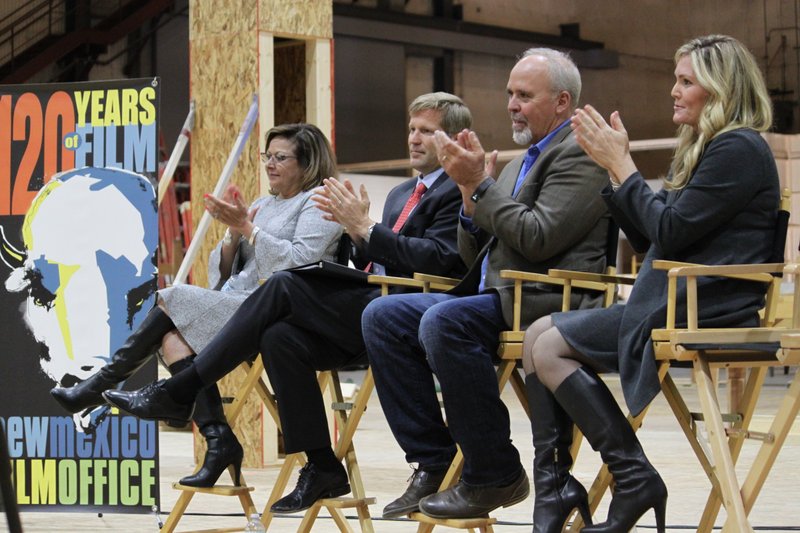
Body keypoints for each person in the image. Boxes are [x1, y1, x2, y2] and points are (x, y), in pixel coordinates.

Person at [101, 92, 472, 513]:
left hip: (401, 311)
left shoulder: (456, 191)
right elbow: (374, 259)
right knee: (280, 337)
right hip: (366, 302)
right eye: (412, 130)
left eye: (426, 131)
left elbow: (443, 262)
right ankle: (321, 465)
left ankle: (179, 389)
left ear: (455, 138)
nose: (414, 139)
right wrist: (358, 233)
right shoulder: (403, 191)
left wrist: (363, 227)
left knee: (280, 285)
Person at [522, 34, 779, 533]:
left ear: (721, 90)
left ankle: (632, 475)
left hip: (708, 303)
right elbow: (654, 239)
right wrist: (613, 174)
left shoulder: (738, 147)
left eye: (686, 81)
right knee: (536, 336)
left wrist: (623, 165)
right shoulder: (709, 148)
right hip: (679, 296)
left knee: (548, 347)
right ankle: (558, 484)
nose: (674, 91)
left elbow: (670, 232)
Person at [360, 47, 611, 521]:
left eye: (523, 95)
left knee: (445, 321)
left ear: (562, 101)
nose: (511, 105)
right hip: (498, 291)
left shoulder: (581, 152)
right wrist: (469, 200)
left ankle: (493, 471)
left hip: (546, 296)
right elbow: (477, 253)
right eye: (509, 94)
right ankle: (435, 462)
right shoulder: (520, 163)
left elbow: (537, 239)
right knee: (382, 315)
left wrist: (482, 187)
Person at [50, 122, 343, 487]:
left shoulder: (320, 201)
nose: (269, 164)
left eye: (280, 157)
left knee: (171, 298)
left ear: (308, 162)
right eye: (267, 155)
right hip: (239, 300)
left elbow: (298, 262)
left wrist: (249, 230)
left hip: (281, 310)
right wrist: (233, 236)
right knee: (172, 338)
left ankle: (100, 385)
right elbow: (223, 272)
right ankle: (219, 440)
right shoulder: (263, 203)